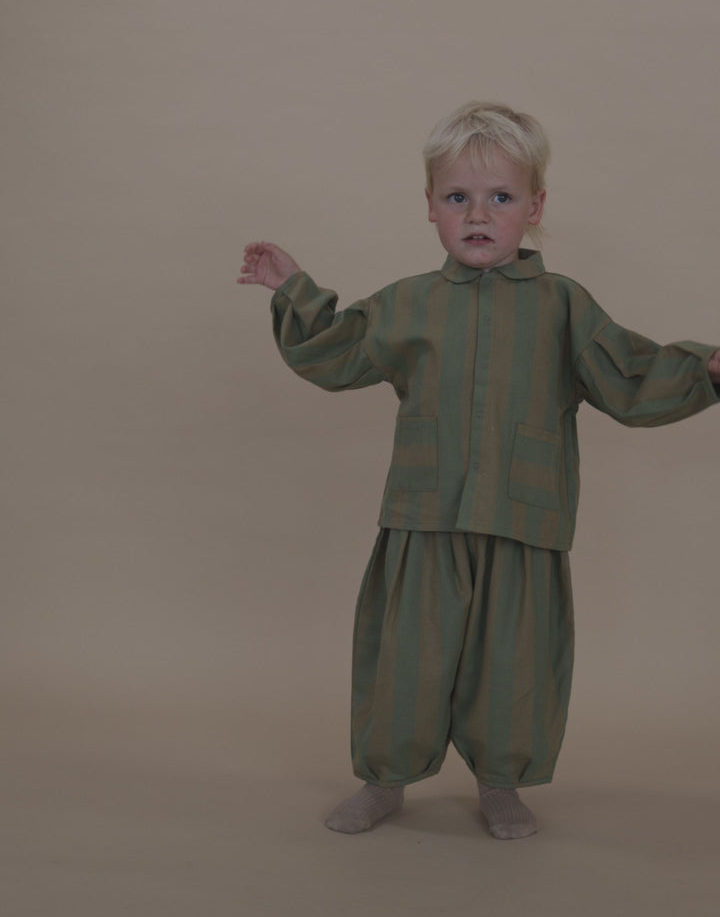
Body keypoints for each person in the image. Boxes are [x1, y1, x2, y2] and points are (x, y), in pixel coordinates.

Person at [238, 102, 720, 839]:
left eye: (500, 197)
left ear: (535, 206)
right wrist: (294, 289)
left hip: (525, 517)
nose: (478, 215)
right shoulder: (410, 304)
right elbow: (338, 350)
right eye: (457, 197)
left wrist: (705, 368)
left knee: (514, 666)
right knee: (407, 656)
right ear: (429, 207)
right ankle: (383, 779)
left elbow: (630, 375)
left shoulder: (564, 306)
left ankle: (502, 784)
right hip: (425, 515)